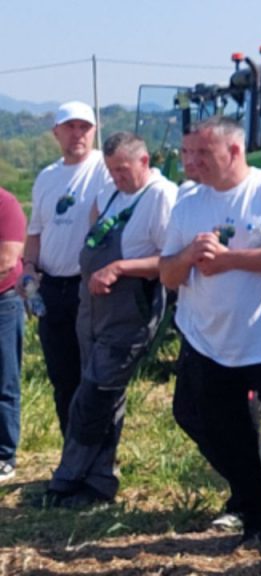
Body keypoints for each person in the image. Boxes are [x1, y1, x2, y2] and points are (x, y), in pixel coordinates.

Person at [159, 117, 261, 552]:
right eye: (186, 153)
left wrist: (230, 259)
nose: (191, 162)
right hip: (208, 341)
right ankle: (259, 520)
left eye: (202, 153)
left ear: (234, 151)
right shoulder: (188, 202)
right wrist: (189, 255)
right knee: (229, 437)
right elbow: (168, 274)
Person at [42, 132, 177, 507]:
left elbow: (171, 260)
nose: (116, 177)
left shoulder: (161, 196)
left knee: (95, 395)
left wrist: (120, 268)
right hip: (92, 309)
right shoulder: (111, 195)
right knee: (101, 394)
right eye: (111, 170)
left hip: (129, 310)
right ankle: (95, 479)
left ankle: (72, 478)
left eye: (122, 170)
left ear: (144, 161)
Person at [22, 101, 112, 438]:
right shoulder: (47, 177)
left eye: (84, 127)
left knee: (94, 376)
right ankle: (71, 447)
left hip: (88, 286)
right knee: (61, 376)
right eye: (70, 127)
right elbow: (35, 233)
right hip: (51, 288)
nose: (78, 134)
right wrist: (28, 268)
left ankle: (98, 451)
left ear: (95, 131)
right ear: (56, 133)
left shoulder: (104, 170)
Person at [0, 186, 26, 483]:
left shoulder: (5, 204)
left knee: (4, 378)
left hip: (3, 302)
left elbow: (7, 259)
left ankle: (4, 455)